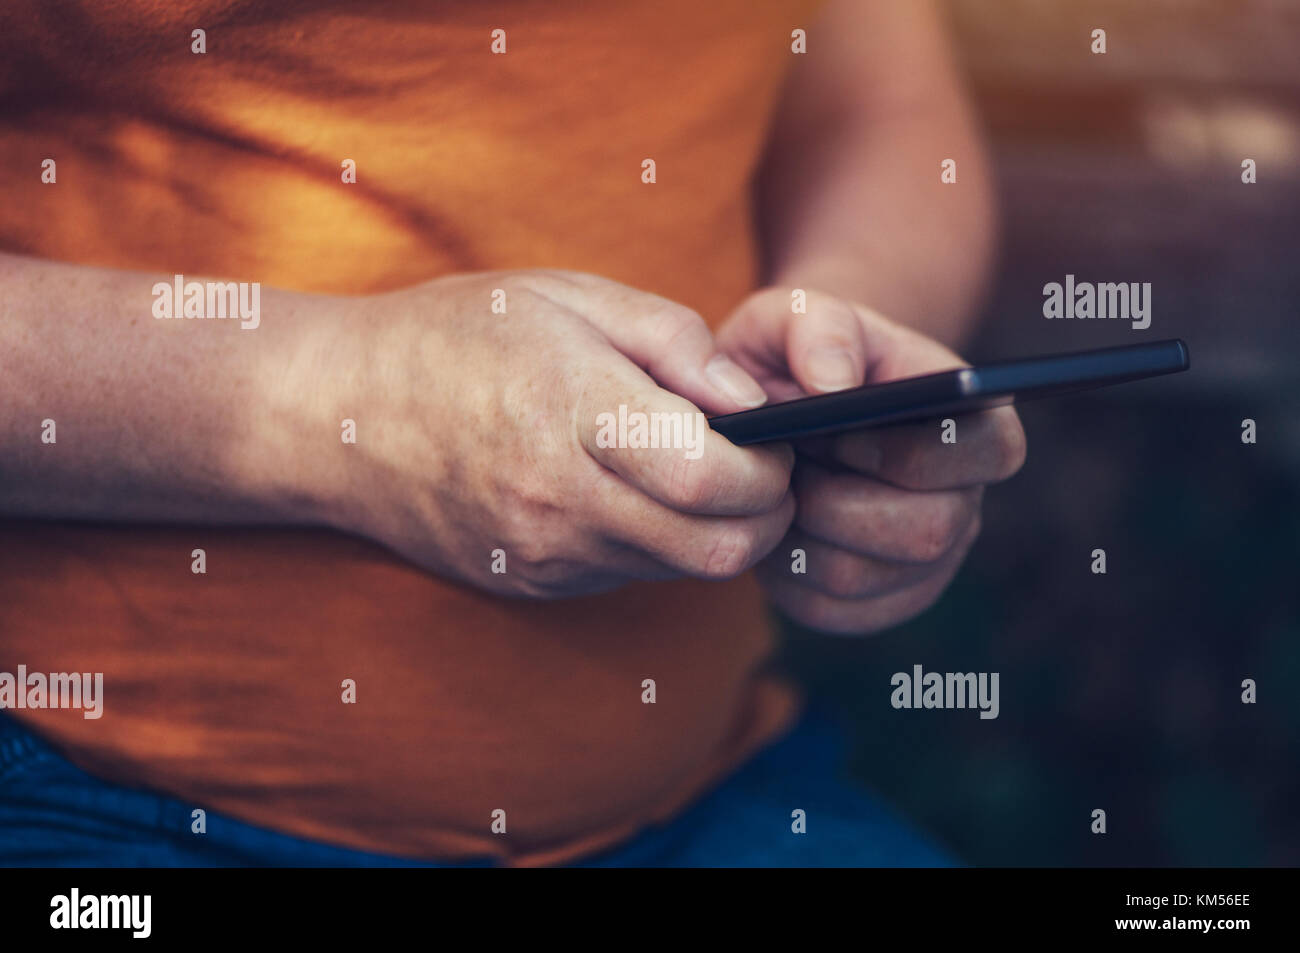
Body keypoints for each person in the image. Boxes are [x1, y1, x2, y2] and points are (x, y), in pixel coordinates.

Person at [0, 0, 1024, 866]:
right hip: (88, 800)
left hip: (711, 794)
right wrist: (349, 403)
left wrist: (841, 336)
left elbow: (874, 106)